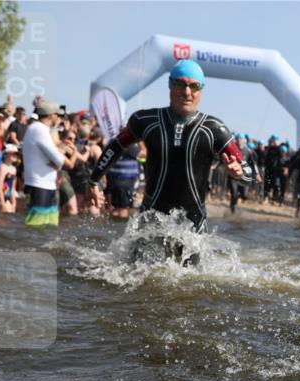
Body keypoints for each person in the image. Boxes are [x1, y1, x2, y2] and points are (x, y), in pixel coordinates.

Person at [87, 60, 243, 262]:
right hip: (151, 221)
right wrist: (93, 181)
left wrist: (238, 173)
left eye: (194, 86)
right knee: (135, 278)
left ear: (201, 90)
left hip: (192, 226)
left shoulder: (214, 129)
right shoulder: (146, 121)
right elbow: (116, 146)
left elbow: (246, 170)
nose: (187, 92)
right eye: (180, 84)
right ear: (170, 85)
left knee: (191, 287)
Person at [22, 100, 74, 226]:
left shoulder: (39, 129)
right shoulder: (39, 129)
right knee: (35, 226)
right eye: (58, 115)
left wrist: (58, 152)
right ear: (53, 116)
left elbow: (56, 159)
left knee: (50, 226)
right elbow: (58, 159)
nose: (60, 119)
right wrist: (62, 150)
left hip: (47, 184)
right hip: (38, 184)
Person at [0, 144, 19, 213]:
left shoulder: (14, 169)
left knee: (10, 214)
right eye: (12, 154)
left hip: (7, 195)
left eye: (16, 154)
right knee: (0, 215)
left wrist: (14, 203)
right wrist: (2, 203)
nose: (15, 155)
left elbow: (12, 188)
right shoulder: (2, 168)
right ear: (5, 155)